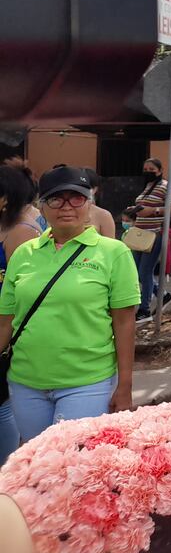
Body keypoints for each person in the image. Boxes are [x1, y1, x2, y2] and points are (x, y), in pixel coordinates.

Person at [0, 167, 138, 444]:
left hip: (87, 382)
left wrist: (125, 386)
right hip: (26, 381)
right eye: (56, 199)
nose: (66, 207)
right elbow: (6, 320)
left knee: (70, 464)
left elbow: (124, 323)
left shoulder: (113, 253)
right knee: (38, 468)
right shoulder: (24, 253)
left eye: (76, 198)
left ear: (89, 203)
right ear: (42, 206)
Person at [0, 166, 41, 468]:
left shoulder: (22, 234)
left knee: (2, 403)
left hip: (6, 329)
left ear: (4, 199)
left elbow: (26, 292)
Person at [130, 157, 171, 323]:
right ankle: (163, 294)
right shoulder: (147, 187)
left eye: (151, 169)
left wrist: (154, 210)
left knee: (145, 271)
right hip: (139, 234)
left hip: (154, 234)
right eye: (145, 169)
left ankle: (144, 310)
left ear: (159, 171)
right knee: (136, 272)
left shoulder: (166, 187)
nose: (147, 172)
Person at [81, 168, 115, 239]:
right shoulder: (64, 212)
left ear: (94, 189)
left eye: (86, 187)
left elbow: (110, 246)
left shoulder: (104, 215)